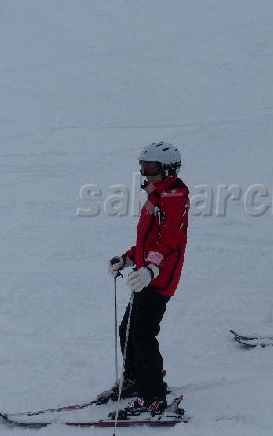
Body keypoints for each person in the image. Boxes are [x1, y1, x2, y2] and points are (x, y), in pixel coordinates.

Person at [104, 142, 189, 418]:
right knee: (128, 330)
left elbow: (169, 242)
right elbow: (148, 241)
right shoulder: (157, 195)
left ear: (168, 169)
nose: (144, 172)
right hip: (144, 276)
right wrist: (127, 259)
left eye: (150, 167)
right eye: (142, 167)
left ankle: (152, 396)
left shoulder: (173, 198)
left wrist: (151, 269)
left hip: (159, 280)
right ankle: (134, 379)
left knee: (142, 335)